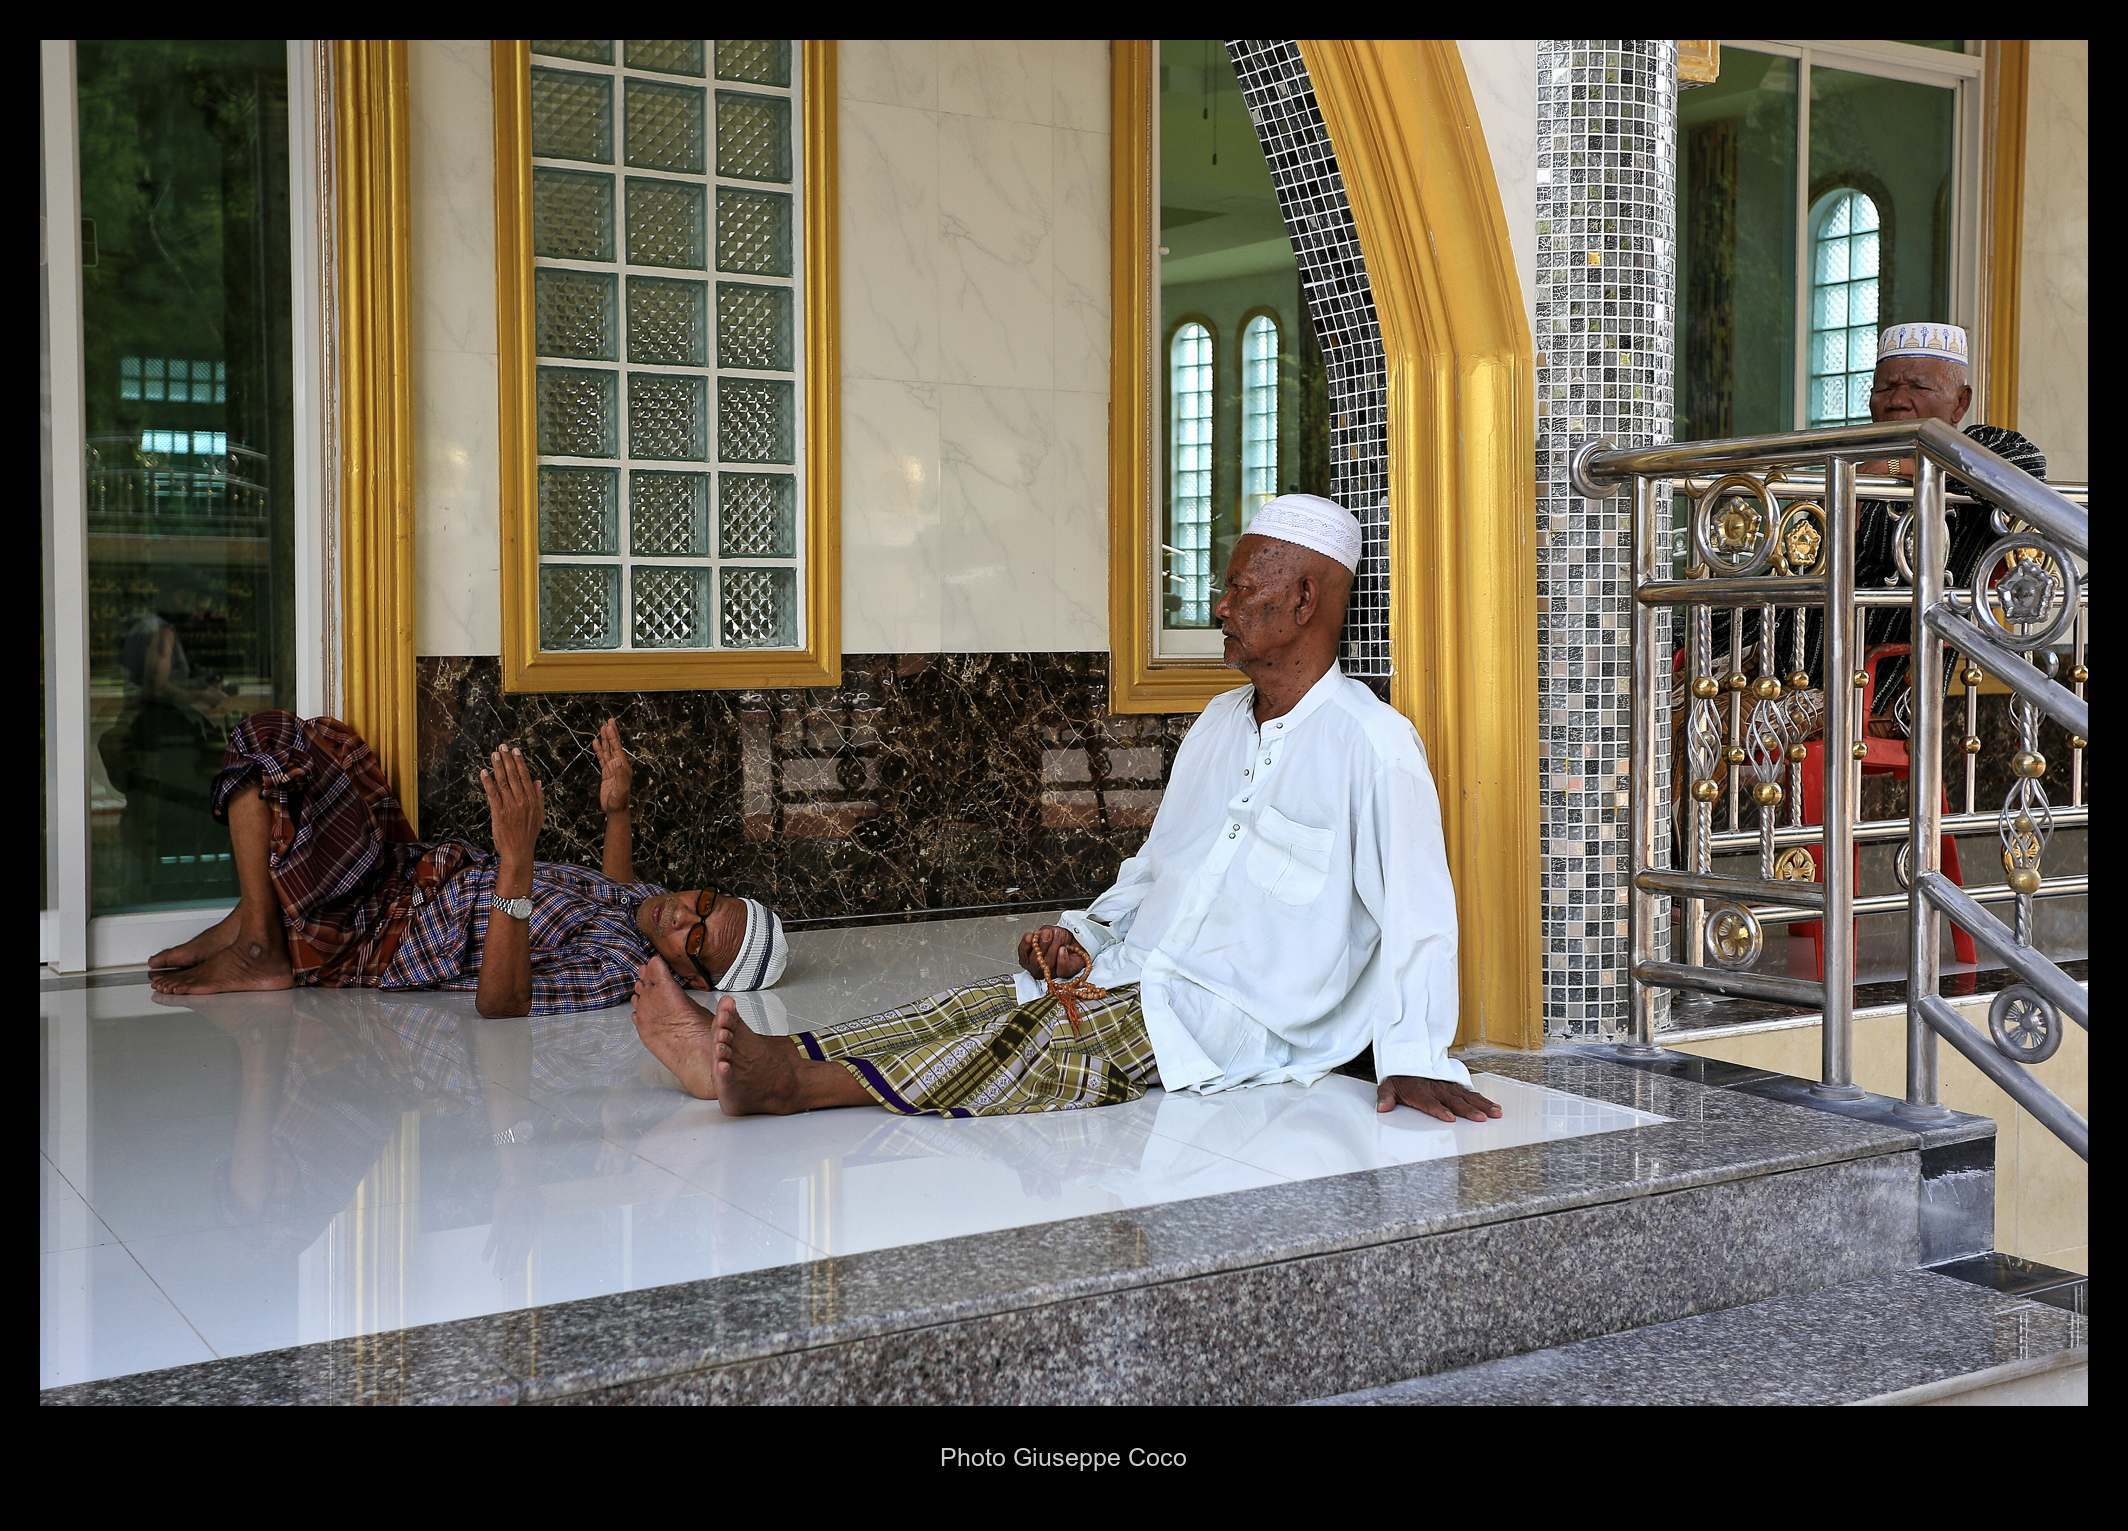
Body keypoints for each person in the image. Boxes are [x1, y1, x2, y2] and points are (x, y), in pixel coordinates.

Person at [632, 493, 1501, 1125]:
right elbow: (1156, 868)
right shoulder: (1218, 723)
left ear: (1307, 599)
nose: (1220, 606)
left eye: (1242, 588)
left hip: (1232, 1021)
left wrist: (1417, 1059)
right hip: (1139, 969)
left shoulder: (1372, 743)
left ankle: (788, 1083)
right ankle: (745, 1059)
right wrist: (1082, 931)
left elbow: (1419, 915)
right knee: (975, 1005)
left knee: (1050, 1043)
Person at [147, 714, 788, 1016]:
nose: (682, 910)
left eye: (696, 934)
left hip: (373, 935)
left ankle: (265, 944)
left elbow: (503, 1004)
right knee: (342, 746)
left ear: (696, 981)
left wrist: (516, 856)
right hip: (406, 872)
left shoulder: (622, 976)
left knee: (270, 745)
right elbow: (615, 892)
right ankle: (257, 920)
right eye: (704, 899)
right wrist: (616, 812)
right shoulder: (644, 914)